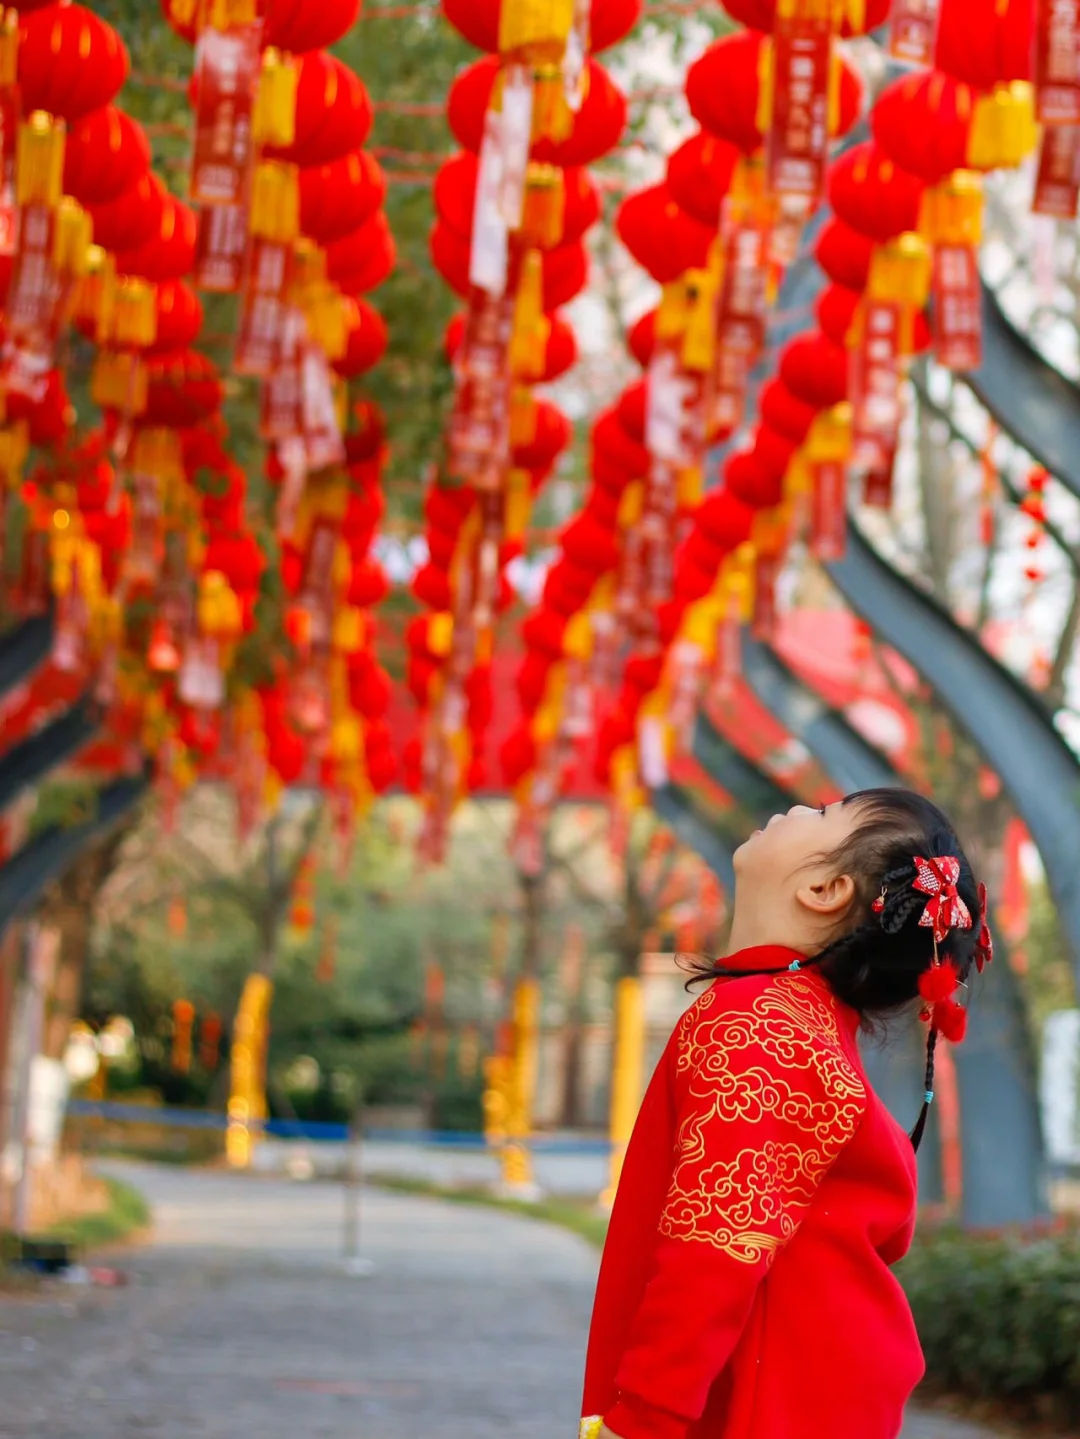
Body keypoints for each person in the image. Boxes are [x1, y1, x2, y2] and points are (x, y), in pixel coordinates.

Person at [579, 788, 993, 1439]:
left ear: (824, 888)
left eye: (825, 813)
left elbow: (715, 1244)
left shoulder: (759, 1023)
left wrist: (644, 1420)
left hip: (763, 1403)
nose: (800, 808)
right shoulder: (796, 1018)